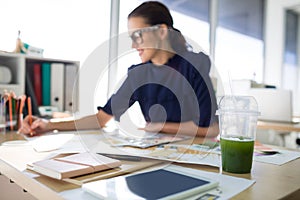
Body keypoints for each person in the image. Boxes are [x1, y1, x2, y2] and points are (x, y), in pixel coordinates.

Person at [18, 1, 219, 137]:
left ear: (162, 31)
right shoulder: (138, 75)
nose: (133, 46)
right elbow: (100, 119)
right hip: (158, 157)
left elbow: (211, 130)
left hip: (194, 158)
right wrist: (48, 125)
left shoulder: (194, 67)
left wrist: (160, 127)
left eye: (137, 36)